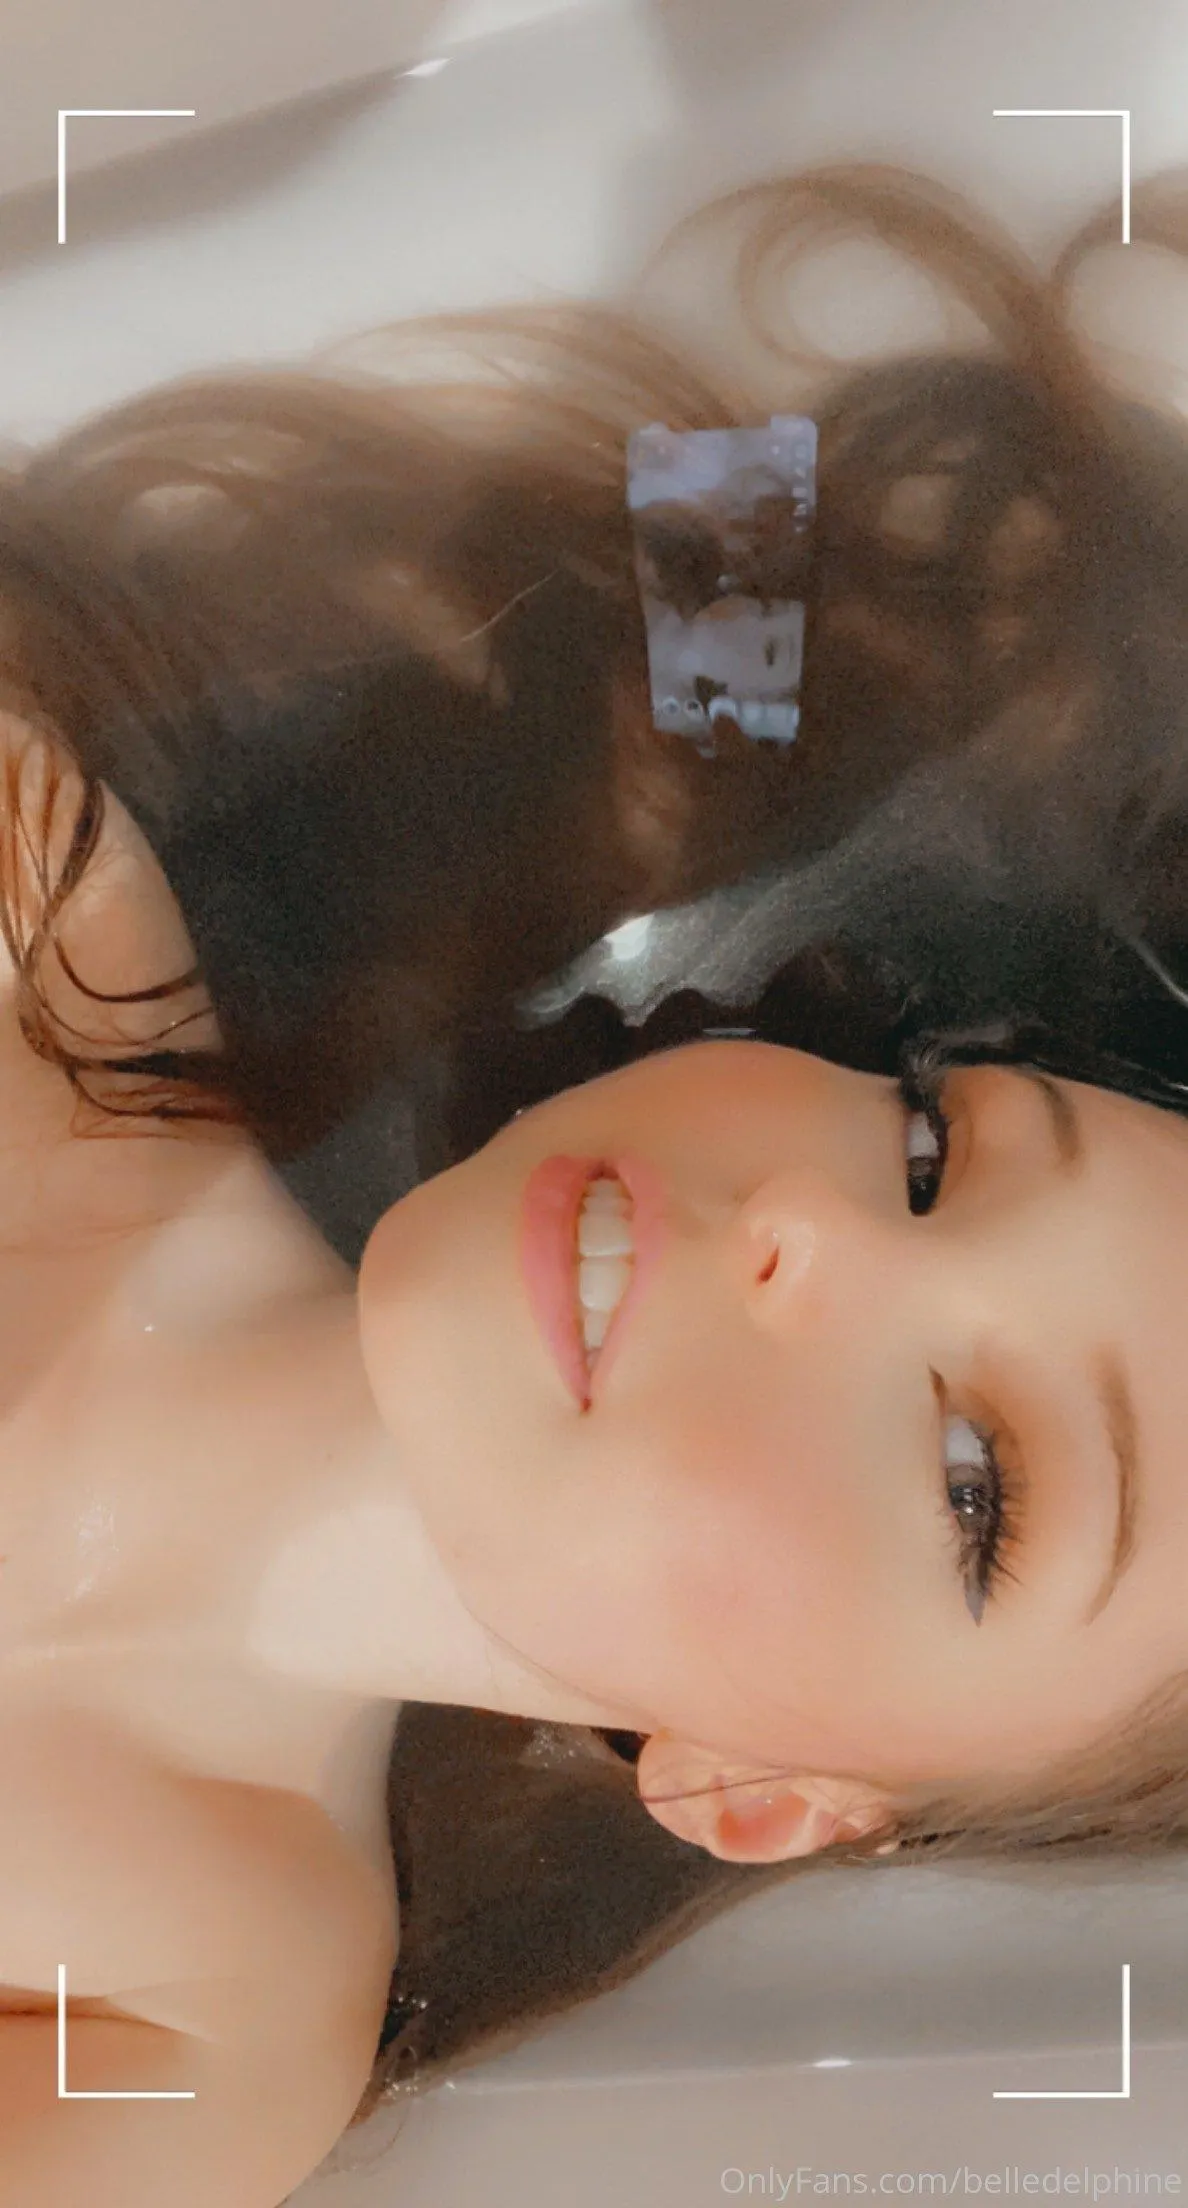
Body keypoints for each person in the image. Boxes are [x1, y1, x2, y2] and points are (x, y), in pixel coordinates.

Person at [5, 157, 1188, 2199]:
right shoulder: (40, 898)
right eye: (929, 1150)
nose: (808, 1230)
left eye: (974, 1482)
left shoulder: (211, 2016)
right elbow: (728, 462)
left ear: (768, 1797)